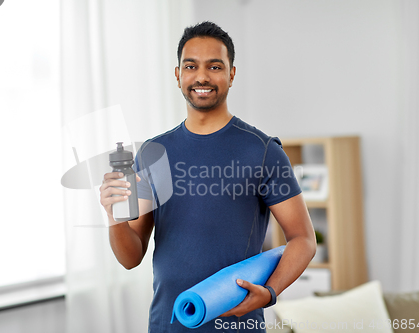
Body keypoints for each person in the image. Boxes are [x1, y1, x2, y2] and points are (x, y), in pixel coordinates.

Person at [100, 21, 316, 333]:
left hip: (236, 324)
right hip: (167, 324)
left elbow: (304, 239)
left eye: (215, 66)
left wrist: (269, 293)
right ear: (178, 75)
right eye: (191, 66)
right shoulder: (153, 153)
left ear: (231, 74)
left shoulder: (263, 151)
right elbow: (131, 257)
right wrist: (114, 219)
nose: (202, 76)